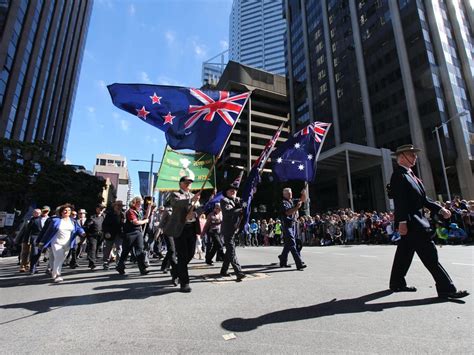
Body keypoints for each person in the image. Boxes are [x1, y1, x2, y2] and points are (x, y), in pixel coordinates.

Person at [388, 144, 468, 299]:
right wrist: (402, 222)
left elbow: (423, 199)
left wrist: (439, 208)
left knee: (404, 253)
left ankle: (396, 283)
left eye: (414, 154)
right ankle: (447, 289)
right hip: (413, 223)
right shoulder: (398, 175)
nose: (415, 157)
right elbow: (400, 201)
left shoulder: (411, 175)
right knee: (430, 255)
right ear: (401, 156)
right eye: (411, 154)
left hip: (416, 221)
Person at [164, 176, 201, 293]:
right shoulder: (175, 194)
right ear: (180, 184)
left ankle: (175, 270)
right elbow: (176, 203)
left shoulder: (193, 196)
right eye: (186, 182)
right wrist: (191, 200)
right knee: (182, 254)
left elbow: (199, 209)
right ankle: (184, 283)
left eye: (190, 182)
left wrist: (194, 214)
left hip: (192, 228)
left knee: (190, 254)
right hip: (180, 228)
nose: (189, 184)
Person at [36, 204, 85, 282]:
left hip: (67, 243)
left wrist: (83, 233)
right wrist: (41, 242)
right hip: (56, 242)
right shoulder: (55, 220)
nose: (67, 212)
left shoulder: (73, 221)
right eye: (65, 210)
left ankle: (54, 271)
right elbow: (48, 232)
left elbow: (78, 229)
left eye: (69, 210)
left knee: (61, 259)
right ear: (61, 212)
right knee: (58, 257)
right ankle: (57, 275)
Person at [116, 197, 149, 275]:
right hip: (130, 233)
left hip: (138, 233)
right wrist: (144, 221)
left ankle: (142, 268)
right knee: (126, 251)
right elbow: (135, 222)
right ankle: (120, 266)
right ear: (135, 203)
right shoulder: (130, 212)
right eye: (139, 203)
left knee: (140, 250)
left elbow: (145, 217)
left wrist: (149, 207)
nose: (140, 205)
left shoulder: (138, 211)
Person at [219, 182, 246, 281]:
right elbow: (228, 212)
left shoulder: (238, 200)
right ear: (226, 192)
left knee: (229, 251)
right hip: (228, 229)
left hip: (235, 228)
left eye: (235, 190)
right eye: (231, 190)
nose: (233, 191)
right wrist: (240, 209)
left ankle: (223, 270)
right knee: (231, 251)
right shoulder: (224, 200)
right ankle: (238, 272)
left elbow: (246, 203)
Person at [278, 187, 307, 270]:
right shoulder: (283, 203)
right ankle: (299, 263)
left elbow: (302, 200)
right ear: (284, 194)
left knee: (288, 244)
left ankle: (283, 260)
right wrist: (296, 208)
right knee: (292, 243)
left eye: (291, 192)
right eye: (288, 193)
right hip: (286, 225)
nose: (290, 194)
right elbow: (287, 212)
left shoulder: (292, 201)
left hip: (291, 225)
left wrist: (304, 193)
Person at [102, 201, 125, 269]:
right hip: (110, 234)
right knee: (108, 249)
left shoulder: (122, 214)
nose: (119, 207)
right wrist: (106, 232)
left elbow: (124, 225)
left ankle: (118, 263)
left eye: (120, 206)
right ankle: (106, 262)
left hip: (119, 234)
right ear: (114, 206)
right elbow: (104, 225)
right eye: (118, 206)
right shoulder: (109, 214)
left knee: (119, 248)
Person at [85, 204, 106, 270]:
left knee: (97, 248)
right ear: (96, 209)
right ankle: (92, 263)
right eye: (100, 208)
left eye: (102, 209)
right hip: (92, 235)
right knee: (93, 248)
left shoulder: (104, 217)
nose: (101, 210)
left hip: (101, 235)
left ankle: (92, 261)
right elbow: (86, 225)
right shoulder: (92, 217)